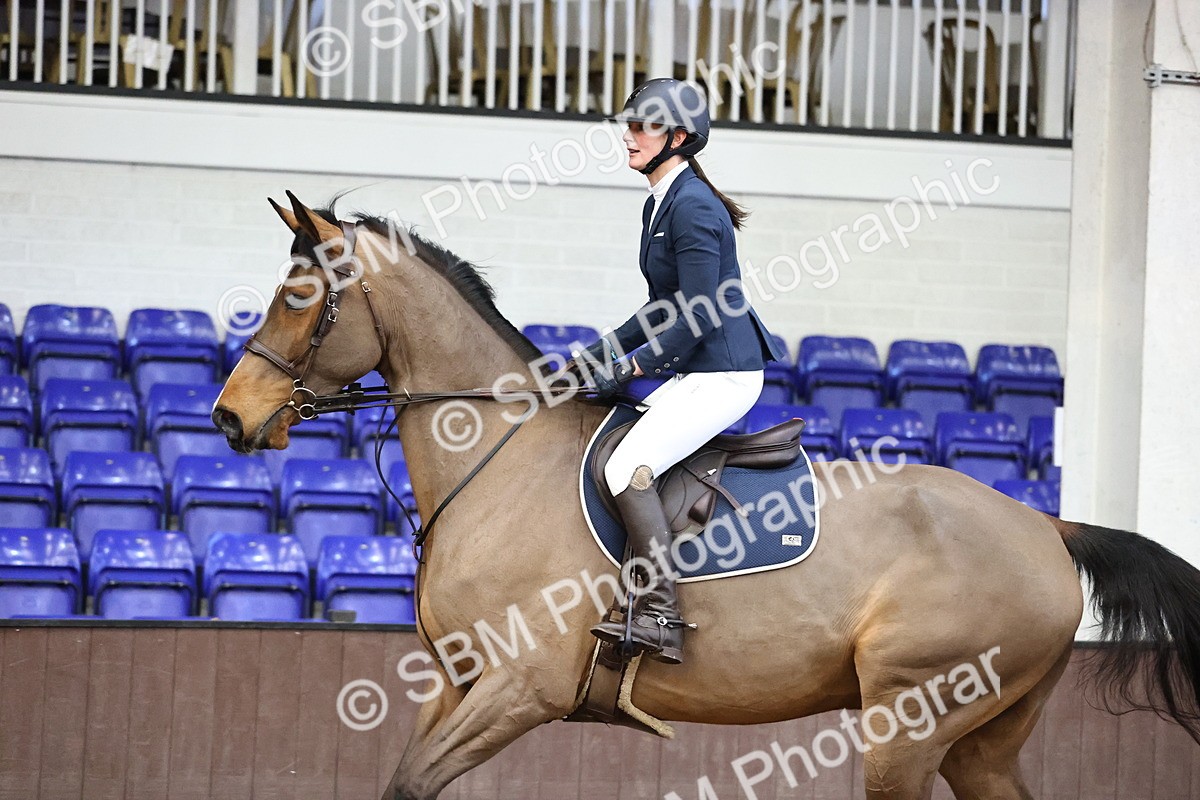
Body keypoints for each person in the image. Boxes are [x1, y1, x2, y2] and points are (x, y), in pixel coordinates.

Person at [568, 78, 786, 665]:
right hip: (697, 367)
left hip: (726, 373)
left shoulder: (692, 207)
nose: (630, 135)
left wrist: (634, 363)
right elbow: (661, 305)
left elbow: (701, 311)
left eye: (643, 126)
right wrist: (599, 351)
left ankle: (661, 612)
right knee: (615, 445)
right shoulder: (660, 202)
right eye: (630, 125)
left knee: (626, 467)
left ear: (679, 138)